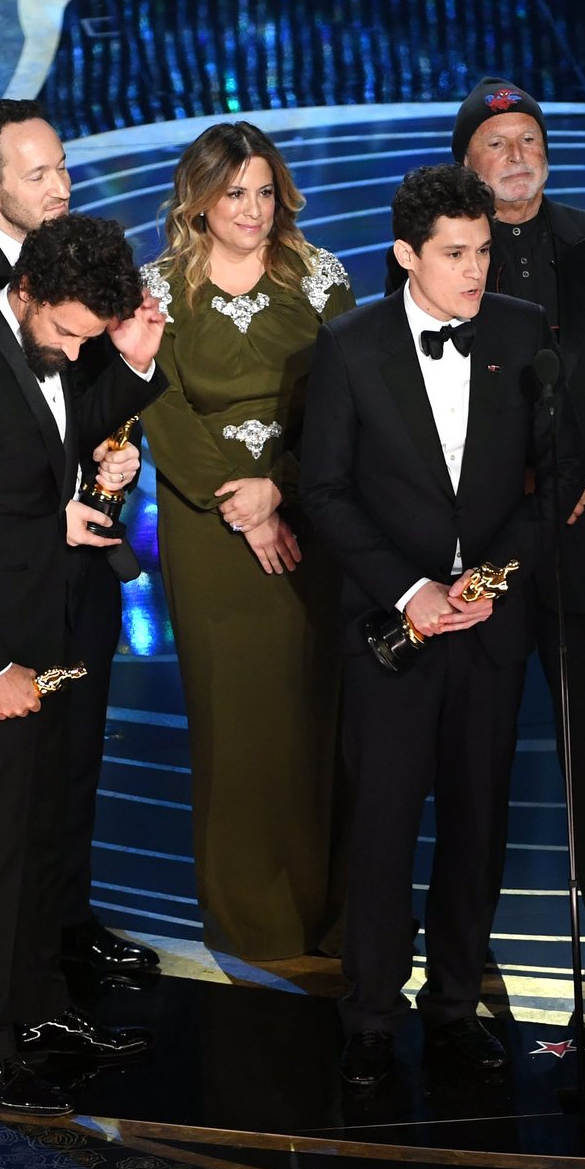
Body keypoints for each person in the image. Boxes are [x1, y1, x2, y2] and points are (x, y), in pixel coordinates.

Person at [387, 78, 585, 982]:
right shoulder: (432, 261)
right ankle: (463, 941)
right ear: (464, 164)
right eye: (498, 144)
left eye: (529, 139)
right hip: (475, 554)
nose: (518, 156)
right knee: (473, 756)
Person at [301, 164, 553, 1087]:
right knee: (383, 826)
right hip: (390, 631)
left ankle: (454, 1006)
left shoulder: (523, 331)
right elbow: (323, 490)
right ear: (407, 255)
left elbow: (553, 479)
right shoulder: (349, 346)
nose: (476, 270)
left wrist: (490, 578)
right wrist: (410, 590)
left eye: (483, 251)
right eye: (455, 254)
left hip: (487, 624)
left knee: (478, 826)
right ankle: (370, 1015)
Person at [0, 99, 158, 978]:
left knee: (68, 769)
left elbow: (71, 418)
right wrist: (42, 518)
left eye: (63, 166)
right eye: (37, 173)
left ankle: (58, 935)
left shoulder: (83, 266)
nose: (60, 186)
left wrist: (130, 382)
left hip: (78, 571)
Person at [0, 213, 165, 1116]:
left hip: (55, 634)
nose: (76, 349)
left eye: (89, 337)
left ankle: (43, 1009)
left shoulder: (53, 345)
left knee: (43, 832)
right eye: (67, 332)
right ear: (25, 292)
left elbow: (67, 430)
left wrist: (130, 376)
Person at [139, 122, 354, 961]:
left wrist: (282, 487)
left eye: (265, 192)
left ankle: (326, 909)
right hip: (209, 526)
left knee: (313, 711)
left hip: (312, 513)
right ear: (199, 200)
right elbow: (158, 404)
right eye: (234, 193)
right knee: (232, 721)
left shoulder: (320, 276)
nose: (253, 209)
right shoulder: (155, 289)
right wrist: (242, 502)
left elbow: (345, 398)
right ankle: (248, 921)